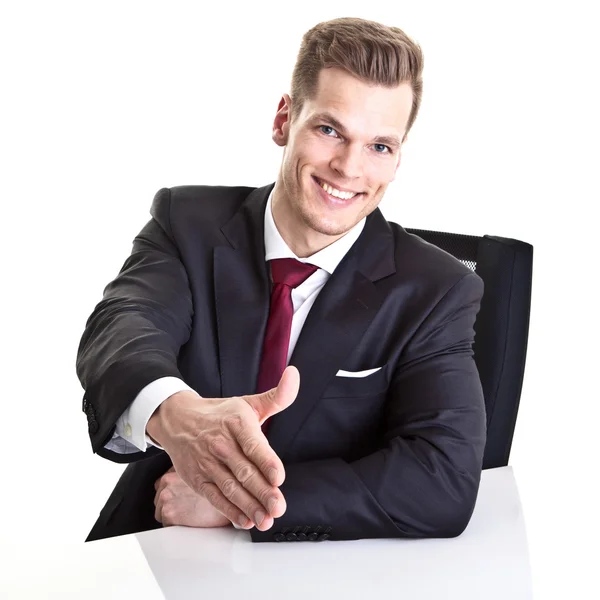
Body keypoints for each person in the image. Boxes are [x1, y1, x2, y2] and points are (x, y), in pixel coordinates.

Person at [77, 16, 486, 544]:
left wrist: (232, 500)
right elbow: (124, 327)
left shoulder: (439, 290)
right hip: (160, 540)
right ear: (283, 120)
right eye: (329, 130)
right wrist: (178, 416)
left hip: (329, 573)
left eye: (379, 146)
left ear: (398, 157)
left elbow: (441, 480)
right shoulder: (187, 221)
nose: (348, 167)